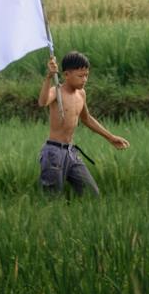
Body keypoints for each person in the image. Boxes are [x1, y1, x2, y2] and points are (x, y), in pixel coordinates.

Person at [37, 52, 128, 196]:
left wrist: (110, 137)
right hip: (53, 153)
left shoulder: (81, 94)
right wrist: (48, 77)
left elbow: (87, 118)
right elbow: (42, 102)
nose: (84, 79)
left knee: (91, 194)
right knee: (52, 198)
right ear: (67, 75)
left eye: (86, 75)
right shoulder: (57, 92)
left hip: (71, 152)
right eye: (80, 76)